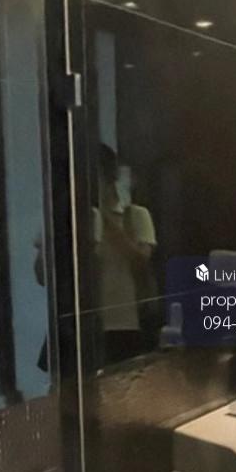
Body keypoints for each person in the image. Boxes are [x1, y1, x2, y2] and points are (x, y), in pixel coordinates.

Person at [93, 143, 157, 363]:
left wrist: (105, 218)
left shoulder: (135, 216)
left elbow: (141, 261)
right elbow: (42, 276)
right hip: (80, 326)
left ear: (109, 177)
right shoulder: (71, 219)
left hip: (123, 323)